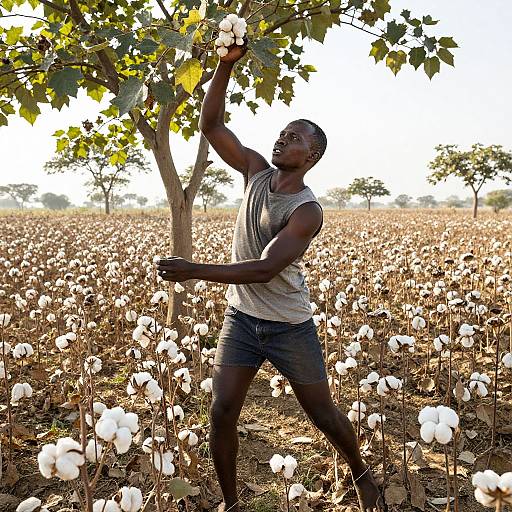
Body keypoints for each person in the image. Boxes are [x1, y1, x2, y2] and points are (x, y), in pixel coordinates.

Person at [156, 41, 385, 512]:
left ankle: (361, 473)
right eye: (282, 132)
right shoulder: (256, 172)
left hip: (288, 325)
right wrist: (224, 65)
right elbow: (212, 125)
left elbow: (264, 268)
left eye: (295, 137)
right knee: (221, 412)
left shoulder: (307, 211)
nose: (283, 139)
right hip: (241, 321)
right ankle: (232, 502)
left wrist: (194, 270)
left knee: (320, 413)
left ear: (312, 155)